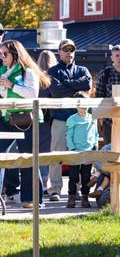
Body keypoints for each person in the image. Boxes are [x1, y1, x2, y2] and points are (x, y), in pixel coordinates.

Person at [0, 40, 50, 208]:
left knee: (28, 159)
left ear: (15, 54)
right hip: (6, 118)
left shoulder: (28, 72)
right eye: (0, 54)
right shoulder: (3, 71)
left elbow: (32, 94)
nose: (2, 57)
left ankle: (33, 199)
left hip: (25, 119)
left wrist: (11, 85)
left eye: (5, 54)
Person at [48, 39, 92, 202]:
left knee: (78, 155)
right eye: (65, 49)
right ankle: (55, 189)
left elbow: (87, 84)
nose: (69, 53)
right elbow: (56, 91)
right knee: (57, 155)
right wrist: (76, 87)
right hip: (60, 118)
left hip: (79, 119)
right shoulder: (52, 71)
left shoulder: (83, 70)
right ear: (59, 52)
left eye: (71, 49)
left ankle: (77, 189)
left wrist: (66, 83)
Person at [65, 102, 98, 208]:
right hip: (75, 152)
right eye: (81, 105)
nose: (84, 107)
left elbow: (95, 134)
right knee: (73, 176)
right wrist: (72, 148)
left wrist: (95, 146)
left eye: (86, 105)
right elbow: (68, 135)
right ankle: (71, 197)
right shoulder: (71, 119)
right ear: (76, 106)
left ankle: (85, 196)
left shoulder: (92, 118)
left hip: (88, 151)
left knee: (86, 176)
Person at [37, 50, 57, 196]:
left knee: (41, 152)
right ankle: (52, 184)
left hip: (40, 119)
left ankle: (44, 184)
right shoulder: (55, 76)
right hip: (54, 118)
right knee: (54, 151)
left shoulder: (36, 77)